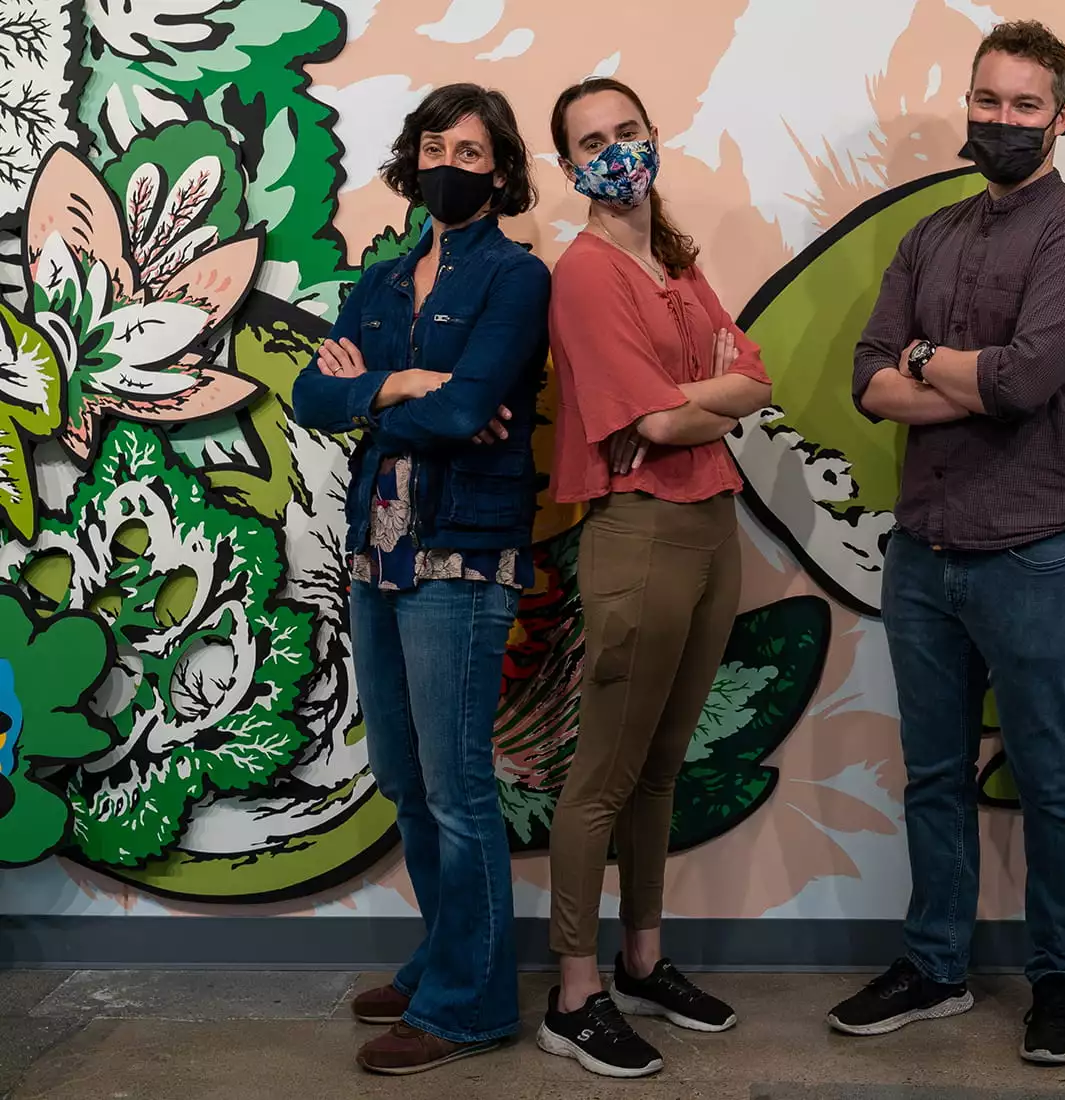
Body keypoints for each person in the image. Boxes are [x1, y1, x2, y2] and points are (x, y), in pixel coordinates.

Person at [832, 20, 1065, 1066]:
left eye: (1023, 106)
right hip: (924, 552)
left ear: (1061, 115)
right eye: (986, 101)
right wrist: (956, 367)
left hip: (1037, 549)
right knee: (934, 774)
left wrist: (939, 367)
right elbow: (870, 378)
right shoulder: (931, 236)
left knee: (1049, 776)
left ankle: (1059, 980)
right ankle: (934, 964)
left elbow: (1028, 381)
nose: (1000, 121)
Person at [290, 83, 549, 1075]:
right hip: (378, 547)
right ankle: (446, 953)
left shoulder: (515, 278)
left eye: (472, 150)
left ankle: (469, 1003)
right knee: (402, 777)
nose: (451, 161)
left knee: (455, 789)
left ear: (499, 170)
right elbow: (315, 394)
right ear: (414, 156)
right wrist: (401, 386)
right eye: (437, 143)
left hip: (463, 550)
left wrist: (402, 399)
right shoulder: (385, 280)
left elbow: (474, 406)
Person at [536, 77, 772, 1081]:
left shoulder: (673, 260)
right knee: (605, 774)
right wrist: (705, 397)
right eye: (592, 140)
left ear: (653, 136)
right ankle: (575, 990)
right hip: (639, 533)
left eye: (628, 130)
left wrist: (696, 399)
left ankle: (642, 958)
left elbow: (757, 377)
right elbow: (660, 424)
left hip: (713, 523)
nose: (615, 150)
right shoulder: (587, 274)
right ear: (567, 165)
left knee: (665, 763)